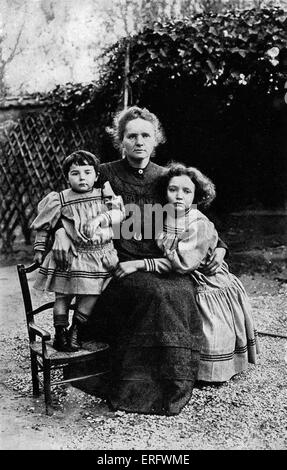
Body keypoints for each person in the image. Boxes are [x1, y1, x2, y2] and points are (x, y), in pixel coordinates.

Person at [52, 106, 228, 415]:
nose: (139, 142)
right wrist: (60, 234)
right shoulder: (103, 173)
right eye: (131, 136)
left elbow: (195, 218)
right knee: (154, 294)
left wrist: (222, 248)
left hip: (165, 261)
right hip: (116, 265)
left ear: (156, 139)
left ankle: (175, 377)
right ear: (121, 140)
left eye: (145, 135)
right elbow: (69, 204)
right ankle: (137, 387)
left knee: (179, 291)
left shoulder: (166, 177)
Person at [155, 162, 259, 382]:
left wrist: (164, 246)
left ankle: (212, 371)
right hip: (187, 271)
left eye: (186, 191)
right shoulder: (163, 216)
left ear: (196, 195)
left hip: (206, 277)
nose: (179, 196)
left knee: (211, 325)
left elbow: (184, 263)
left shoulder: (197, 222)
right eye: (172, 190)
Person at [31, 150, 123, 352]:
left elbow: (118, 214)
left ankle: (76, 331)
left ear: (96, 176)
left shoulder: (103, 195)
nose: (82, 177)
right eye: (75, 173)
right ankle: (60, 333)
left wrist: (100, 219)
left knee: (92, 294)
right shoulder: (60, 199)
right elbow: (44, 224)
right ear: (67, 177)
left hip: (98, 255)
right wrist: (39, 248)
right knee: (62, 296)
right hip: (70, 256)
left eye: (87, 172)